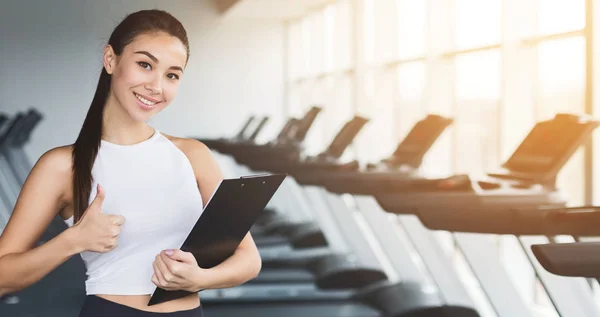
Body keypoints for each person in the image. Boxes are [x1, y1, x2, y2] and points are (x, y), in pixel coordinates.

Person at [0, 9, 262, 316]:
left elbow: (249, 259)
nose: (156, 86)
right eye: (145, 65)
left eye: (172, 75)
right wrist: (72, 240)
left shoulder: (193, 156)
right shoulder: (62, 166)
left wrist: (201, 278)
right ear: (110, 59)